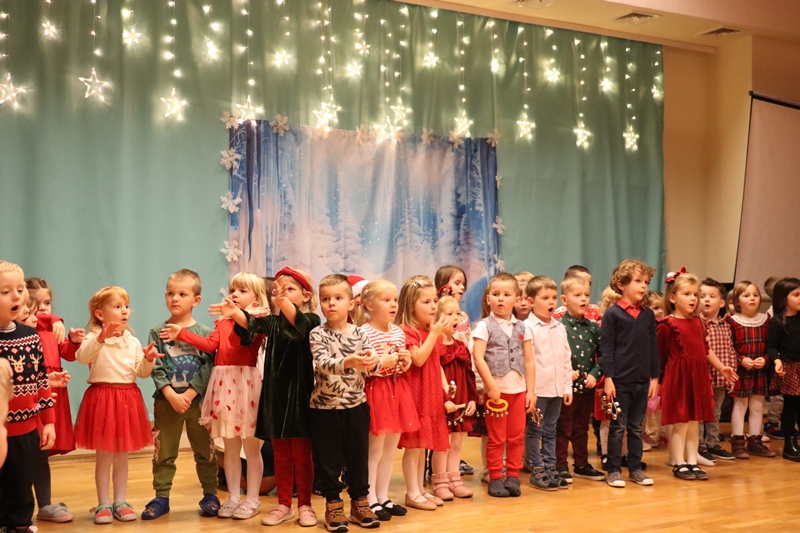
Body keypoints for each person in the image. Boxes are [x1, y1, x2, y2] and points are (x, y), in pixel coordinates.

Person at [161, 272, 267, 520]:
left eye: (242, 291)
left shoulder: (259, 321)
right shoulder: (222, 322)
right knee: (230, 446)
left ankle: (252, 499)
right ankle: (233, 497)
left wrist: (237, 314)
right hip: (224, 386)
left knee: (252, 448)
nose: (235, 295)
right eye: (232, 290)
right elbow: (210, 345)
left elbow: (245, 336)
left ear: (255, 298)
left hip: (246, 386)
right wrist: (182, 333)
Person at [224, 267, 319, 527]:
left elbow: (297, 323)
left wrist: (282, 301)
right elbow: (250, 325)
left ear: (306, 295)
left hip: (300, 398)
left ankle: (305, 504)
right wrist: (235, 312)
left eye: (290, 289)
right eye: (279, 289)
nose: (283, 294)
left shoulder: (311, 320)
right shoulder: (272, 322)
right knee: (280, 455)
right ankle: (284, 504)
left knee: (302, 455)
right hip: (275, 398)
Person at [74, 286, 162, 523]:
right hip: (102, 398)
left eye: (126, 306)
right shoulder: (93, 338)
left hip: (126, 399)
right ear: (100, 314)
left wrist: (149, 359)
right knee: (104, 456)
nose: (124, 311)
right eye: (117, 306)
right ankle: (103, 503)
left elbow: (141, 372)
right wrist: (101, 338)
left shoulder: (131, 341)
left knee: (122, 456)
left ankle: (120, 501)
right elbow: (81, 357)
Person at [142, 269, 218, 520]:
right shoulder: (157, 332)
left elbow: (208, 365)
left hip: (198, 404)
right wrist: (171, 395)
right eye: (170, 293)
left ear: (196, 300)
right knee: (163, 451)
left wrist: (191, 393)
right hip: (167, 403)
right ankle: (161, 496)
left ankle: (210, 494)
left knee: (205, 451)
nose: (175, 298)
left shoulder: (205, 333)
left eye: (182, 294)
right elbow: (156, 367)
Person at [309, 274, 382, 532]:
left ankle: (360, 503)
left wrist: (374, 361)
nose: (331, 303)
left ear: (351, 303)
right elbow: (322, 364)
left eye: (338, 298)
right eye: (325, 299)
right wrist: (349, 362)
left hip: (356, 407)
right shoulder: (317, 333)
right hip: (324, 409)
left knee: (358, 457)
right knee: (328, 460)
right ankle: (333, 505)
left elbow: (374, 365)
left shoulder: (361, 332)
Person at [657, 270, 737, 480]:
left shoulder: (699, 323)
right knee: (681, 423)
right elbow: (659, 357)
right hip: (679, 380)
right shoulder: (666, 325)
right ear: (673, 298)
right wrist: (658, 381)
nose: (693, 299)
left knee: (694, 423)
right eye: (687, 294)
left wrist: (721, 367)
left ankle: (692, 461)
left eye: (696, 294)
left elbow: (705, 349)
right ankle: (679, 463)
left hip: (698, 377)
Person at [0, 261, 56, 533]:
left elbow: (41, 379)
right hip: (1, 429)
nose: (16, 297)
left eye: (20, 290)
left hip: (27, 429)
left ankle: (19, 525)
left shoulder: (30, 336)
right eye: (5, 291)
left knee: (22, 483)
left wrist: (49, 421)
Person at [472, 272, 536, 498]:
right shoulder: (484, 326)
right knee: (497, 437)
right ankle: (496, 477)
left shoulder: (523, 327)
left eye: (507, 295)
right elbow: (478, 357)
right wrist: (490, 386)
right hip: (497, 393)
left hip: (519, 391)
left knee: (516, 436)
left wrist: (531, 391)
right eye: (496, 294)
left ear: (516, 300)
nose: (501, 299)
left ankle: (513, 476)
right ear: (488, 299)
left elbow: (529, 360)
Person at [361, 279, 417, 521]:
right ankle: (369, 497)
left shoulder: (398, 332)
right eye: (386, 300)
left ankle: (383, 496)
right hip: (376, 391)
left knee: (390, 449)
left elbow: (403, 366)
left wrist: (406, 361)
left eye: (395, 300)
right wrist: (383, 360)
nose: (393, 304)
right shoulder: (364, 332)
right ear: (369, 305)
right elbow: (364, 368)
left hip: (397, 390)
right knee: (375, 449)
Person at [601, 259, 659, 488]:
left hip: (642, 380)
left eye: (646, 282)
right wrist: (608, 379)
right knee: (618, 427)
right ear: (621, 284)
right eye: (637, 281)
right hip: (620, 381)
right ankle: (614, 470)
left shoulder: (648, 315)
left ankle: (635, 469)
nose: (643, 286)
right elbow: (607, 349)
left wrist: (654, 377)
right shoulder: (612, 314)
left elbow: (653, 348)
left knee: (636, 427)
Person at [396, 275, 450, 511]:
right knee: (413, 447)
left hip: (430, 395)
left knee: (422, 447)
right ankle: (412, 492)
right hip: (415, 396)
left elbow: (436, 362)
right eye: (426, 302)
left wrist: (445, 389)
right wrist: (435, 334)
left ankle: (420, 489)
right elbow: (417, 359)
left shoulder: (429, 330)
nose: (433, 307)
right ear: (411, 306)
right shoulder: (407, 331)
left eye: (434, 301)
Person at [524, 276, 573, 491]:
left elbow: (566, 359)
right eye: (545, 298)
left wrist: (566, 387)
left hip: (556, 389)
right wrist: (530, 390)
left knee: (551, 429)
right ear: (531, 301)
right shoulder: (527, 327)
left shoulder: (559, 327)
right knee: (535, 429)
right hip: (538, 390)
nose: (551, 302)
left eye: (553, 297)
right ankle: (536, 468)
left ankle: (551, 466)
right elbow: (527, 361)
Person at [555, 276, 605, 483]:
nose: (583, 299)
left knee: (582, 427)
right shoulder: (558, 326)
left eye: (586, 295)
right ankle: (560, 465)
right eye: (577, 295)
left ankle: (581, 464)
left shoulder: (592, 327)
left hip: (586, 387)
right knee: (563, 427)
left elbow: (603, 355)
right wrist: (565, 372)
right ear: (565, 300)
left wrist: (594, 374)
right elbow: (552, 355)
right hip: (566, 388)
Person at [432, 296, 477, 499]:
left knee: (457, 442)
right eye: (449, 314)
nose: (455, 318)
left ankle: (454, 479)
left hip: (460, 400)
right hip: (443, 402)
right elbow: (434, 376)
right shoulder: (435, 346)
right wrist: (444, 399)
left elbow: (469, 374)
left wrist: (472, 399)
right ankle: (440, 482)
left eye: (457, 313)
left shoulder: (461, 346)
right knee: (443, 443)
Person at [725, 281, 776, 459]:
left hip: (760, 371)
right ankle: (738, 442)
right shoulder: (732, 321)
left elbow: (771, 345)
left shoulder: (766, 320)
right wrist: (741, 360)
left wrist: (766, 359)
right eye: (746, 295)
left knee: (757, 406)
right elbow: (728, 347)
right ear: (737, 301)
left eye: (755, 295)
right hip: (742, 371)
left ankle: (755, 441)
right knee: (740, 405)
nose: (752, 298)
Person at [698, 278, 737, 460]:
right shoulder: (699, 323)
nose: (706, 299)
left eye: (711, 296)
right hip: (703, 377)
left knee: (715, 412)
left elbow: (730, 351)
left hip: (720, 378)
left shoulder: (726, 325)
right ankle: (699, 445)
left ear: (722, 303)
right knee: (700, 413)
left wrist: (731, 375)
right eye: (702, 296)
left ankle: (712, 443)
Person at [767, 278, 800, 461]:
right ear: (783, 298)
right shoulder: (778, 321)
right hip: (791, 368)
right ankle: (789, 443)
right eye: (796, 295)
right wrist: (777, 360)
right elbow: (771, 346)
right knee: (791, 406)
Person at [763, 275, 785, 439]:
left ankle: (786, 423)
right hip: (778, 359)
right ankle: (772, 423)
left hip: (791, 359)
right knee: (777, 395)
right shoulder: (771, 316)